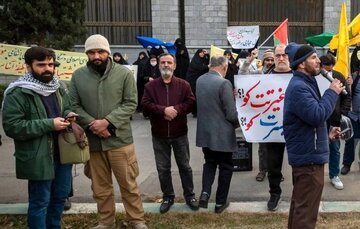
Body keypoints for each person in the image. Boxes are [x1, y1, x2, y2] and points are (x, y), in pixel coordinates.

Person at [69, 34, 147, 229]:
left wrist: (108, 123)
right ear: (86, 54)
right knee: (100, 188)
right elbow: (73, 106)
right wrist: (93, 124)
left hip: (120, 141)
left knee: (128, 185)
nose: (97, 56)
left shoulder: (124, 73)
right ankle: (106, 222)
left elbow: (131, 103)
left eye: (101, 51)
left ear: (108, 52)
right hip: (93, 142)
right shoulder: (78, 76)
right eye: (92, 52)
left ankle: (136, 220)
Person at [2, 46, 76, 228]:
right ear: (28, 67)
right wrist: (49, 124)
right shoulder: (17, 92)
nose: (47, 69)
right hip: (38, 157)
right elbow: (12, 127)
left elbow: (64, 107)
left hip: (63, 155)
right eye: (41, 64)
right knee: (40, 202)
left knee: (59, 198)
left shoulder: (58, 87)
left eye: (50, 64)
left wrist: (69, 113)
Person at [284, 43, 344, 229]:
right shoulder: (299, 87)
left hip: (309, 155)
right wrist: (332, 92)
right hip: (308, 161)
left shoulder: (304, 84)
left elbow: (309, 121)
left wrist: (326, 134)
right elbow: (316, 114)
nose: (319, 61)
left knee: (301, 208)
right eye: (313, 58)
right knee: (305, 214)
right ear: (301, 64)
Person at [141, 53, 198, 214]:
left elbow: (191, 102)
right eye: (163, 62)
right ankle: (168, 197)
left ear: (174, 65)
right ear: (159, 65)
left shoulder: (183, 84)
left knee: (185, 166)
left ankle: (190, 196)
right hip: (159, 134)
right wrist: (162, 110)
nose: (166, 65)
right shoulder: (150, 87)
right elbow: (145, 105)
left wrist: (176, 110)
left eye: (169, 62)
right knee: (163, 168)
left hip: (179, 133)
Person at [196, 56, 239, 214]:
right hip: (222, 135)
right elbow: (231, 114)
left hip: (205, 133)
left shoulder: (200, 80)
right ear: (224, 66)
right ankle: (220, 202)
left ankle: (205, 193)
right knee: (226, 167)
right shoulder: (224, 83)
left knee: (209, 163)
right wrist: (241, 125)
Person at [319, 54, 351, 190]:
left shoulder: (339, 76)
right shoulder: (314, 76)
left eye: (331, 68)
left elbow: (347, 96)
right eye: (326, 68)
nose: (329, 71)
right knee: (317, 149)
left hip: (334, 120)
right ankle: (316, 177)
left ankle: (334, 175)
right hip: (317, 119)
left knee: (335, 149)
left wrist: (342, 113)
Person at [341, 63, 360, 175]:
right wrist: (349, 86)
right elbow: (346, 95)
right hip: (353, 115)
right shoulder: (352, 77)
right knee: (350, 140)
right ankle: (347, 164)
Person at [186, 48, 209, 117]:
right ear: (198, 53)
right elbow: (198, 67)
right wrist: (207, 66)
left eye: (203, 52)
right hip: (193, 80)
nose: (202, 54)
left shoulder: (203, 59)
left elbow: (207, 61)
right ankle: (195, 111)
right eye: (201, 52)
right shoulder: (195, 60)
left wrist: (207, 54)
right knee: (195, 95)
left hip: (200, 80)